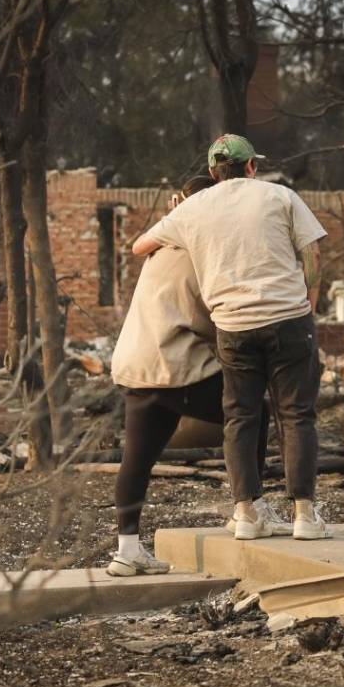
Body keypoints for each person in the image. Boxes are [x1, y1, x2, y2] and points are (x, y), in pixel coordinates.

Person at [133, 134, 330, 541]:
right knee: (296, 416)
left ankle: (245, 514)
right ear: (252, 166)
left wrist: (178, 219)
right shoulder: (280, 195)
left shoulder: (195, 208)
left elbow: (139, 246)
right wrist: (309, 304)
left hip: (234, 327)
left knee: (241, 417)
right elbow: (312, 253)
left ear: (212, 172)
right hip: (289, 319)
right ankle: (305, 516)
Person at [105, 175, 283, 576]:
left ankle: (127, 549)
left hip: (138, 365)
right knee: (251, 413)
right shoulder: (204, 249)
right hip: (176, 363)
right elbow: (219, 315)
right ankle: (248, 509)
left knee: (137, 457)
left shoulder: (164, 246)